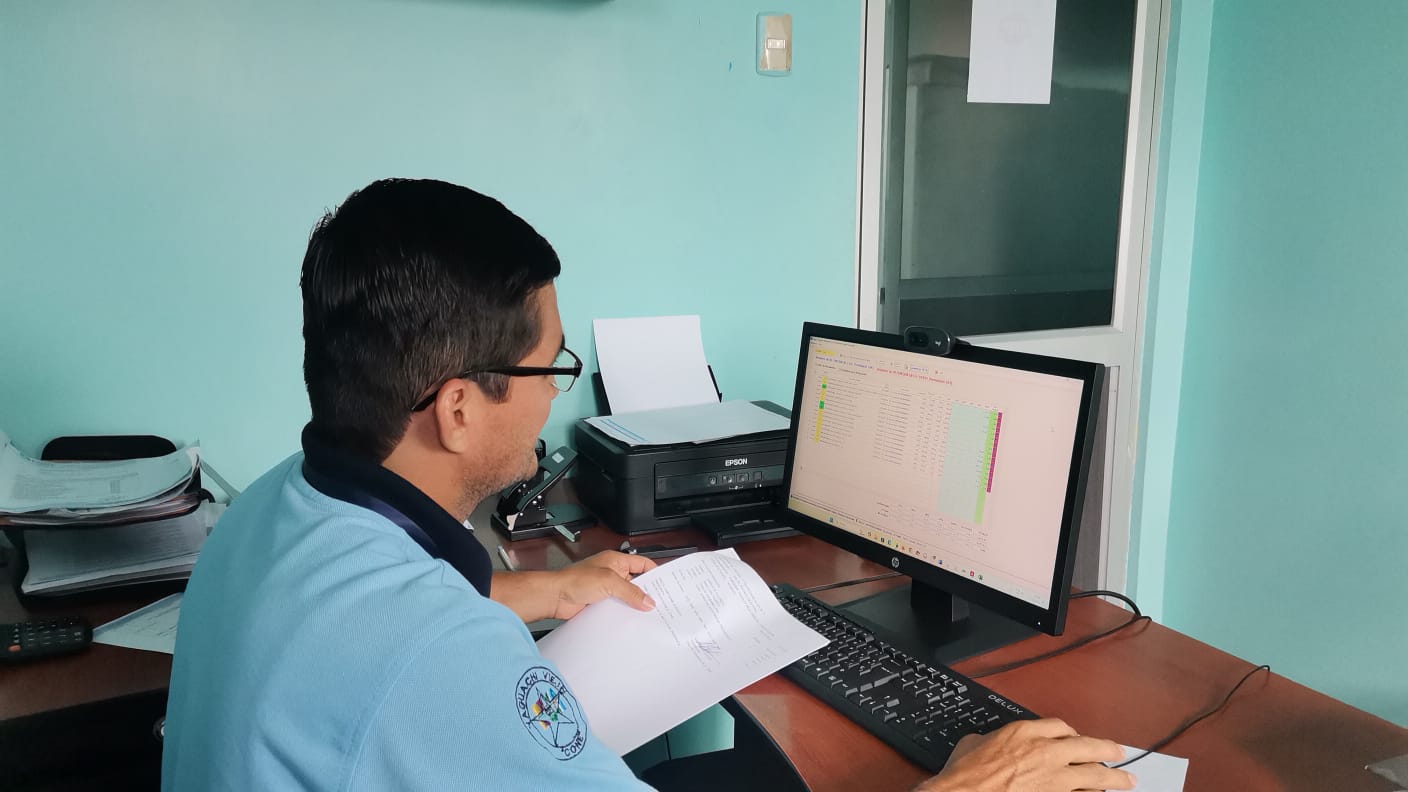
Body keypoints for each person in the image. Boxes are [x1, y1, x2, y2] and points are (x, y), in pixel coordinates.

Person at [161, 178, 1136, 792]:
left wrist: (539, 591)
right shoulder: (437, 659)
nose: (555, 395)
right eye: (549, 368)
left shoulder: (277, 507)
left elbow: (366, 616)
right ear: (456, 407)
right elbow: (414, 657)